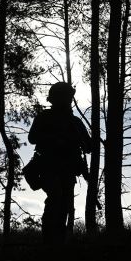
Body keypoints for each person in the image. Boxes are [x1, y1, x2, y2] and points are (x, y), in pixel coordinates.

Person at [28, 82, 91, 244]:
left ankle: (58, 242)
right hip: (49, 166)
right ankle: (49, 241)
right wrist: (55, 139)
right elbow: (32, 138)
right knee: (56, 198)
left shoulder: (75, 122)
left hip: (68, 169)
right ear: (55, 98)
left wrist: (80, 141)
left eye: (69, 97)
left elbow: (88, 146)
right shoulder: (44, 117)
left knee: (64, 205)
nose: (67, 100)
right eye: (64, 97)